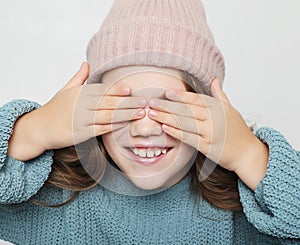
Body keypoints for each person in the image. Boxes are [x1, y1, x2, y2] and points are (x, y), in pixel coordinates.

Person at [0, 0, 299, 244]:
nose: (144, 129)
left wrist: (249, 155)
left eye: (168, 106)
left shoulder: (244, 212)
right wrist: (30, 132)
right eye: (121, 105)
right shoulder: (53, 199)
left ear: (210, 112)